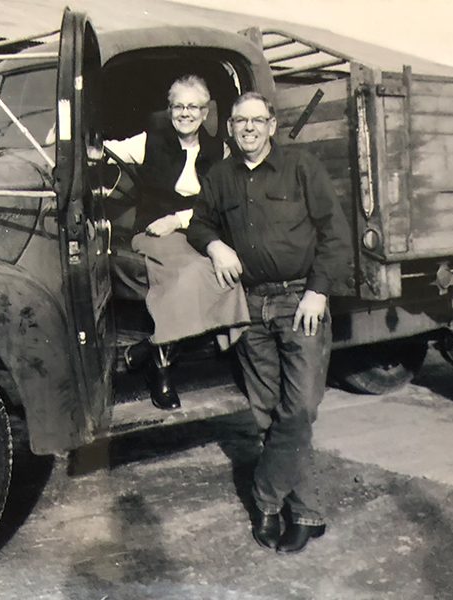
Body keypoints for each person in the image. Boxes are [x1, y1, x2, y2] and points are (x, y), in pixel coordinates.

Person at [186, 92, 354, 553]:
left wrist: (318, 291)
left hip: (301, 301)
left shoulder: (302, 168)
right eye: (240, 121)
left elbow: (335, 234)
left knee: (298, 410)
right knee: (267, 412)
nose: (249, 129)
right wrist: (215, 245)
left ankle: (265, 501)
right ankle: (305, 512)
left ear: (272, 125)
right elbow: (199, 225)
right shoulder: (219, 177)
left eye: (257, 121)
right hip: (249, 306)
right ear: (231, 128)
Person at [101, 75, 247, 411]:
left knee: (224, 274)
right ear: (169, 111)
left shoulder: (218, 150)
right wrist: (61, 133)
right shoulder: (148, 142)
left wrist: (179, 220)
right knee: (189, 275)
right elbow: (105, 150)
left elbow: (219, 200)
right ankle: (162, 369)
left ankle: (151, 349)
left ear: (206, 111)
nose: (186, 113)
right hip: (152, 233)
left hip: (197, 232)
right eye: (179, 106)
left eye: (193, 107)